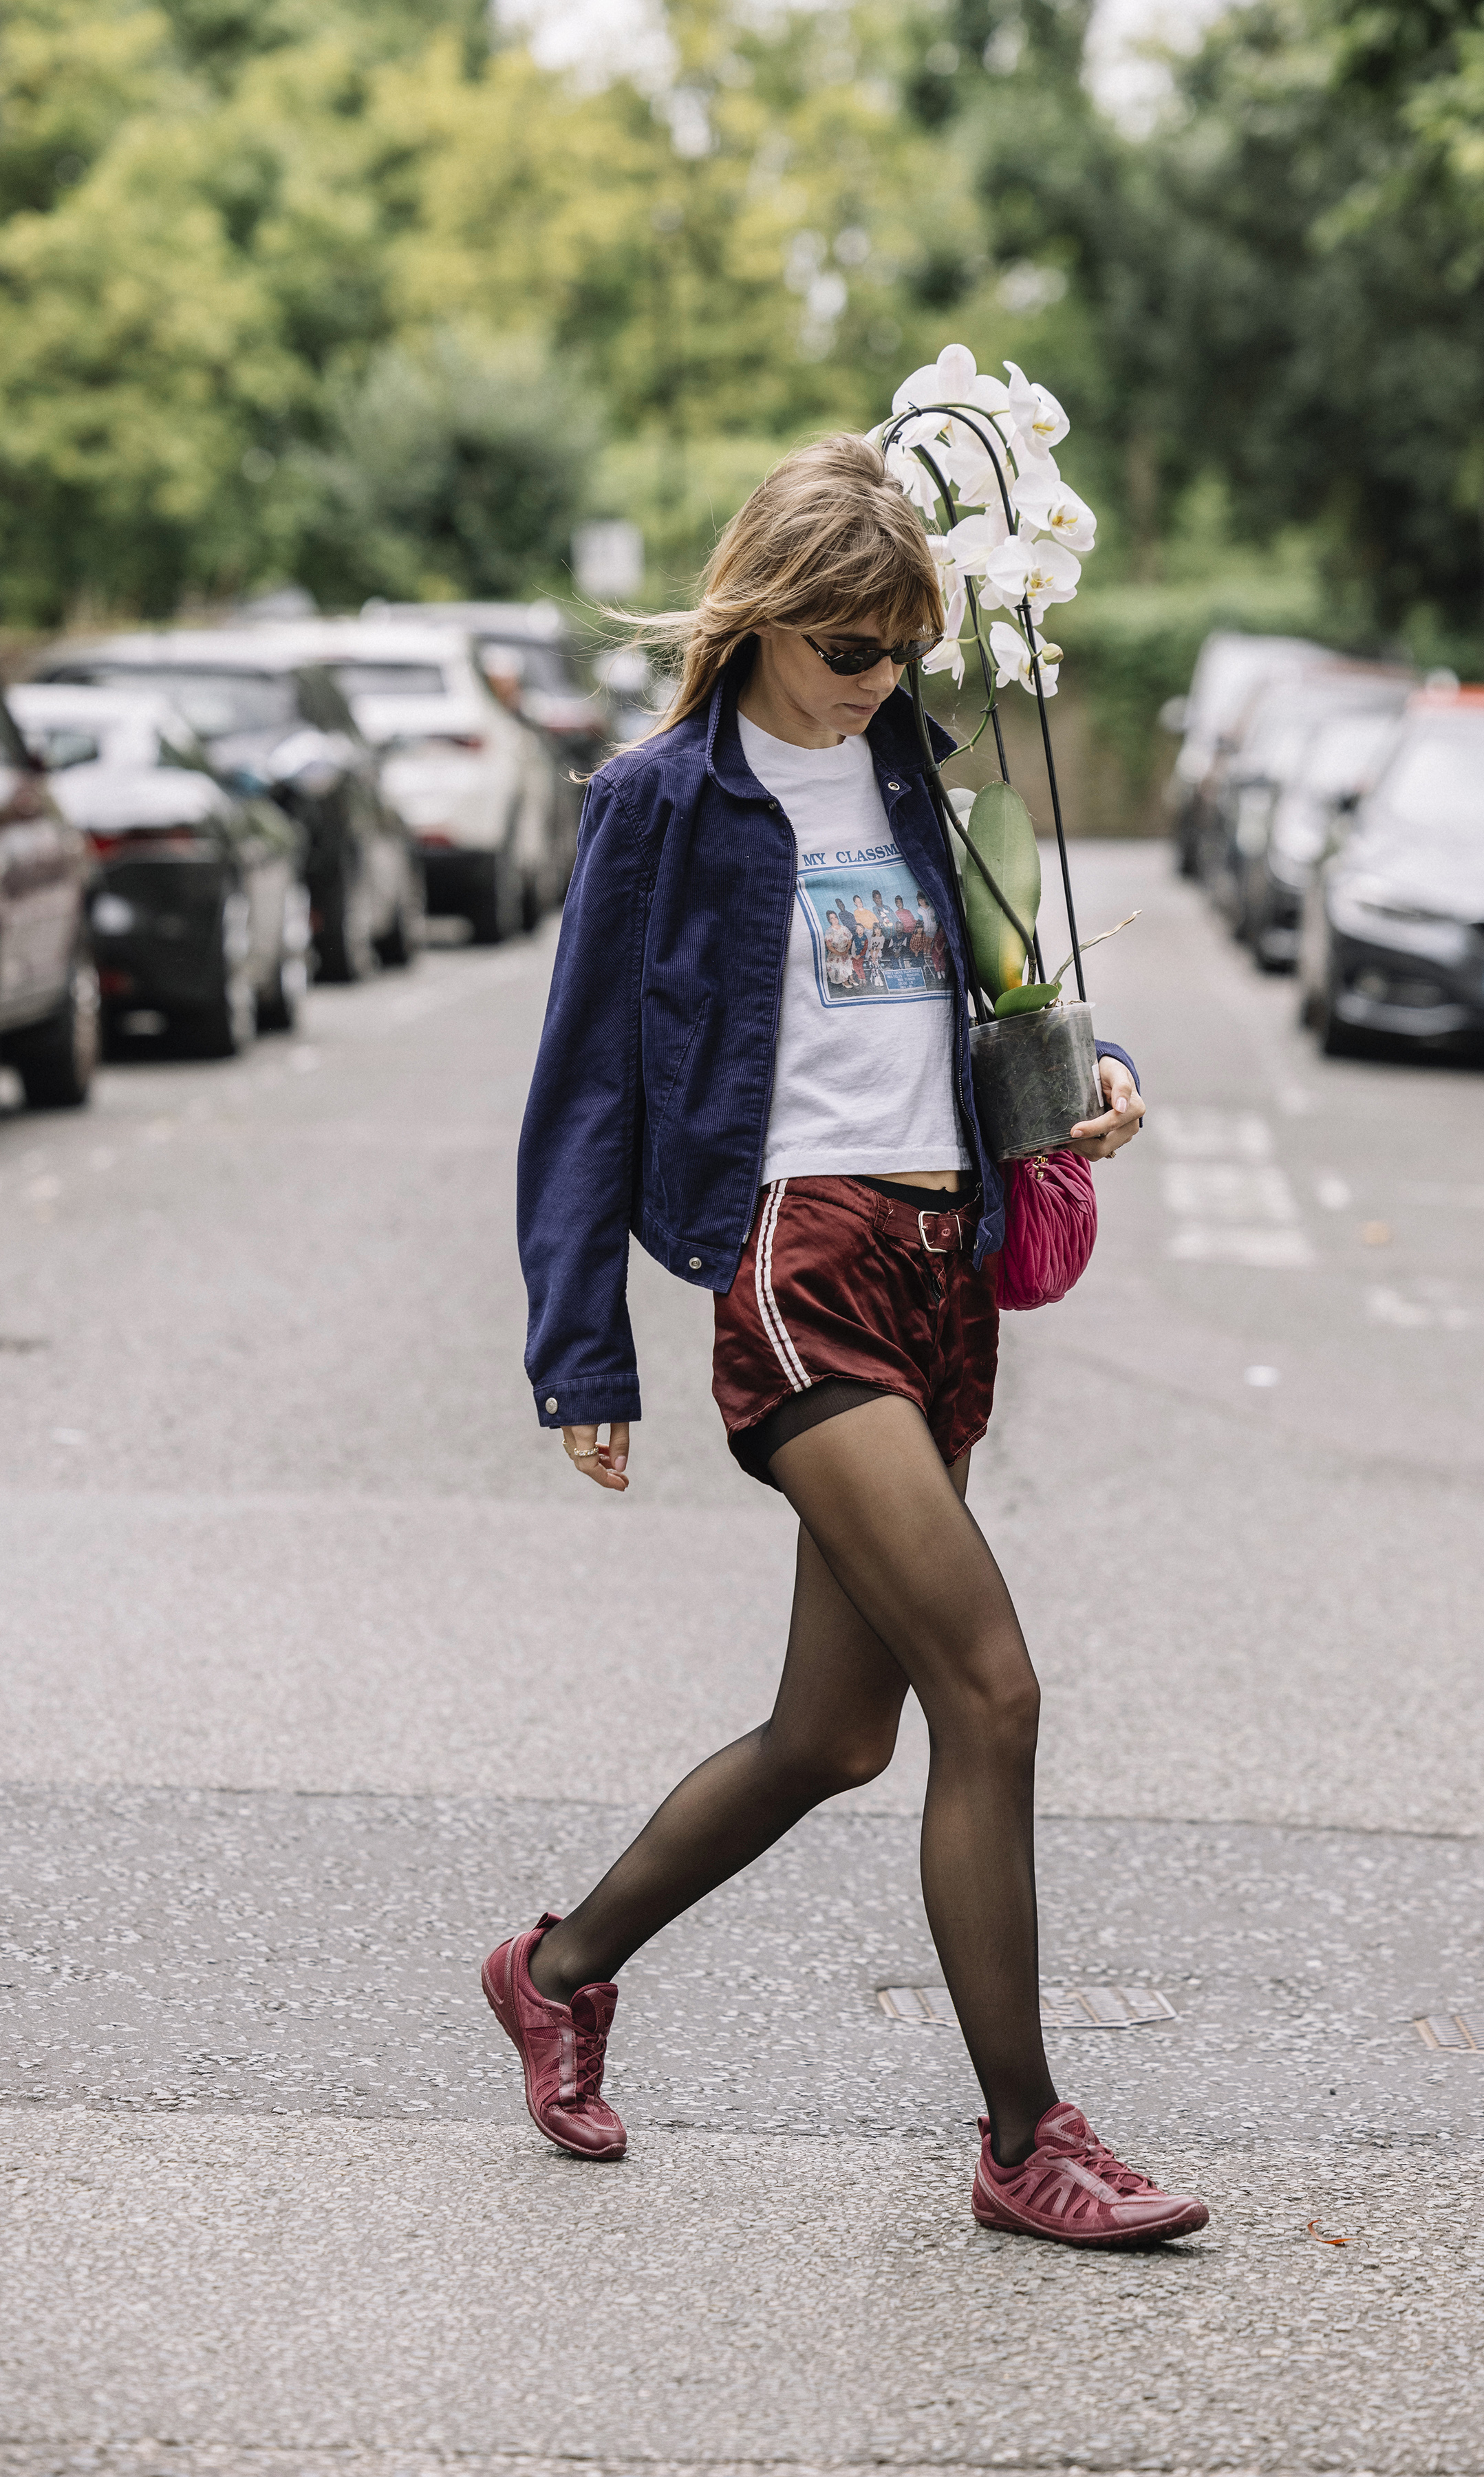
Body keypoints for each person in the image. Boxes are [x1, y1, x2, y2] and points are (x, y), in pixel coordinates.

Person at [486, 433, 1209, 2250]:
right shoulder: (662, 801)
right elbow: (580, 1090)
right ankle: (1027, 2136)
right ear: (763, 619)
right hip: (797, 1260)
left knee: (835, 1735)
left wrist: (1079, 1079)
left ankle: (556, 1970)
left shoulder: (915, 778)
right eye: (849, 645)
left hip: (942, 1254)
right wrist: (584, 1355)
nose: (881, 675)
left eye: (901, 646)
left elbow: (986, 997)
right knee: (994, 1690)